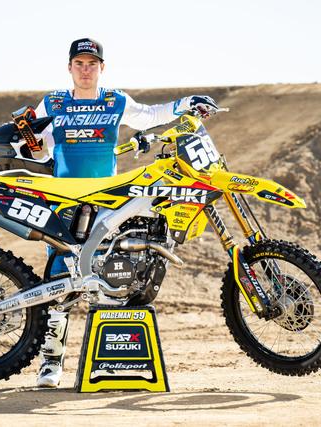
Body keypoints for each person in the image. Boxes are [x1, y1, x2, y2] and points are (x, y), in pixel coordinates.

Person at [32, 37, 219, 388]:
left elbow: (151, 115)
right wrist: (30, 145)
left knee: (109, 274)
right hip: (63, 201)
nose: (85, 70)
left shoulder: (115, 100)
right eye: (79, 64)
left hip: (107, 200)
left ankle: (114, 359)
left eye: (92, 64)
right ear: (69, 67)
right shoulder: (52, 102)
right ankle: (50, 363)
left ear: (102, 67)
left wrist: (186, 103)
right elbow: (30, 139)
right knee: (58, 281)